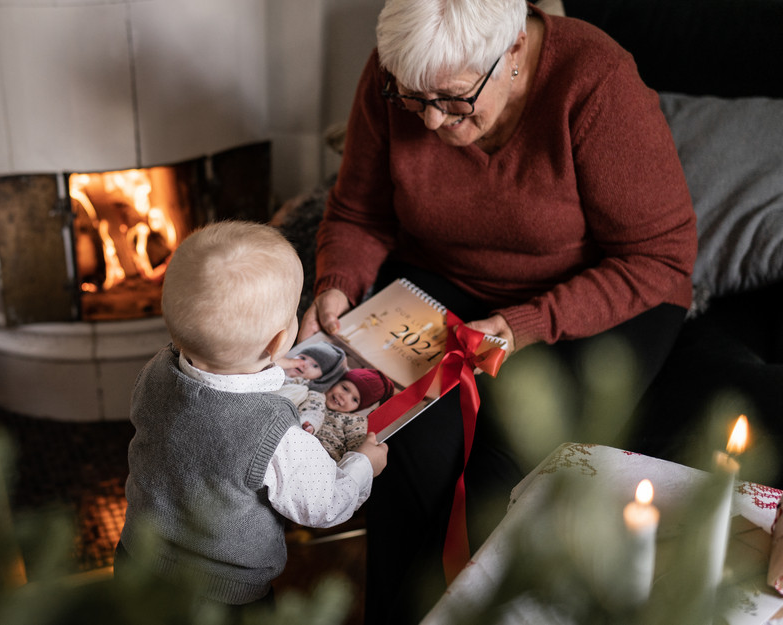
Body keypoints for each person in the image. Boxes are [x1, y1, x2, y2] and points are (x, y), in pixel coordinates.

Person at [297, 1, 697, 623]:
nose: (428, 121)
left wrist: (527, 323)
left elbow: (660, 258)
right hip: (444, 280)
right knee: (403, 451)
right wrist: (336, 286)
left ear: (511, 50)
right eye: (412, 98)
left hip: (597, 297)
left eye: (452, 99)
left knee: (504, 470)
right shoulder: (401, 67)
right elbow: (358, 213)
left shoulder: (595, 82)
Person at [117, 220, 389, 610]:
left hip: (135, 562)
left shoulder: (157, 371)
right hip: (223, 597)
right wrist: (363, 464)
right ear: (280, 341)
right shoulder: (273, 432)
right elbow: (325, 504)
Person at [314, 368, 396, 462]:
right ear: (336, 382)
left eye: (355, 400)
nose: (344, 397)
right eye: (345, 388)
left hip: (322, 460)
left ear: (359, 407)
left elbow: (359, 448)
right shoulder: (313, 395)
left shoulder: (354, 421)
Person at [278, 342, 349, 392]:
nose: (304, 364)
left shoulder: (310, 394)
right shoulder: (276, 365)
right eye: (302, 358)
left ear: (322, 378)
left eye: (315, 366)